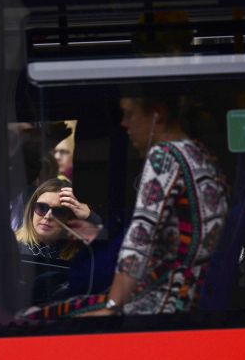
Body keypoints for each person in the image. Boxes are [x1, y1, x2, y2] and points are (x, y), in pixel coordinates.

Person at [26, 90, 229, 318]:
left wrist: (111, 306)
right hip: (188, 297)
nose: (124, 124)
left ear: (156, 114)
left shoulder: (164, 156)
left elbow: (139, 241)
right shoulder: (200, 154)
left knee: (34, 318)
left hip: (162, 303)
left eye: (129, 115)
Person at [16, 178, 100, 261]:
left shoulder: (81, 255)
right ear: (32, 211)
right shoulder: (12, 245)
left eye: (58, 212)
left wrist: (90, 216)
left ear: (69, 219)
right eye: (41, 207)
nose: (48, 216)